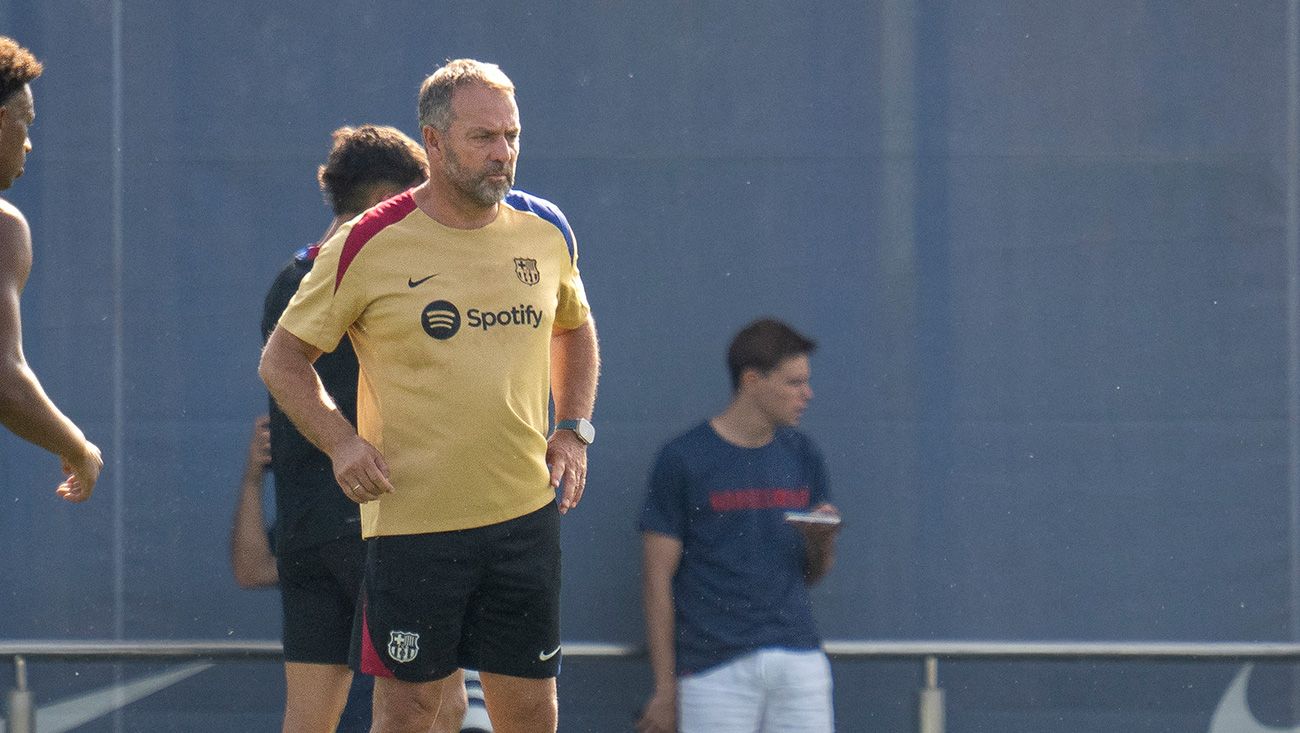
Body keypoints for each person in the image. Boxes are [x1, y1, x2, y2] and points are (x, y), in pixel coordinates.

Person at [259, 59, 599, 733]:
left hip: (523, 519)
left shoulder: (546, 228)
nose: (503, 153)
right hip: (412, 527)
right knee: (413, 711)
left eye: (512, 134)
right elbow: (283, 360)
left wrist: (575, 427)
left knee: (532, 711)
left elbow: (576, 325)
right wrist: (341, 441)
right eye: (484, 137)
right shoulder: (367, 240)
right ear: (434, 143)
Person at [238, 124, 469, 733]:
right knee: (438, 709)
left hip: (306, 534)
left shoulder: (291, 280)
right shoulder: (376, 275)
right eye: (413, 201)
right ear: (380, 203)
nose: (423, 217)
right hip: (378, 526)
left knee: (310, 718)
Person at [636, 318, 840, 733]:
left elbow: (813, 574)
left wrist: (821, 541)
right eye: (793, 383)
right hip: (714, 667)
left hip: (799, 659)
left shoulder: (804, 455)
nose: (807, 394)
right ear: (751, 380)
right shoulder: (685, 459)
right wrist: (665, 688)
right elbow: (657, 580)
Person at [0, 36, 102, 502]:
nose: (28, 144)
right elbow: (4, 376)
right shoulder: (4, 229)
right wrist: (76, 447)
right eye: (26, 125)